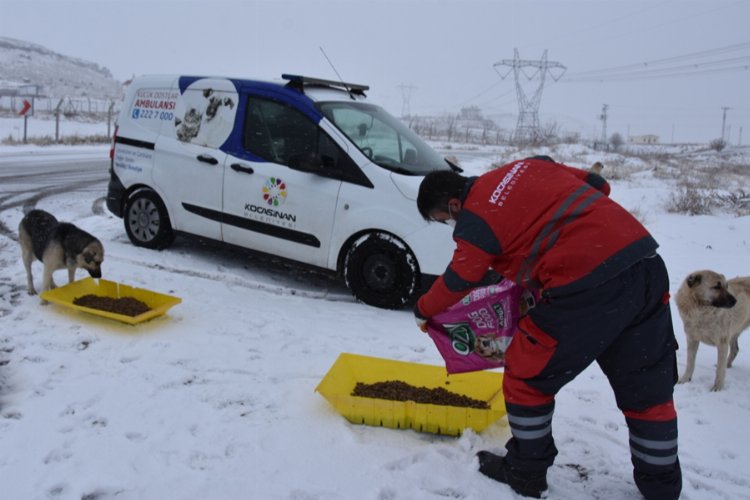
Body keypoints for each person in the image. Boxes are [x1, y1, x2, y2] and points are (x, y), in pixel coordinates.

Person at [413, 156, 681, 499]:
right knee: (647, 389)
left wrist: (423, 309)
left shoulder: (474, 218)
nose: (451, 224)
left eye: (445, 219)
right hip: (644, 264)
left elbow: (462, 276)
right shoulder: (528, 165)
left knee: (526, 375)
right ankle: (662, 487)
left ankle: (525, 472)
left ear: (453, 204)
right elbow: (599, 186)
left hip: (587, 285)